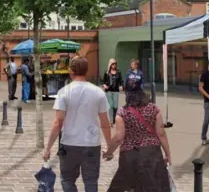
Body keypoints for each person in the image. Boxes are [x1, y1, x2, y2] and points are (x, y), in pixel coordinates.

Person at [43, 56, 111, 192]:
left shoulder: (64, 92)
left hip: (70, 143)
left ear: (70, 71)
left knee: (67, 180)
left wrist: (48, 147)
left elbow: (58, 123)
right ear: (86, 71)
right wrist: (109, 146)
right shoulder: (99, 92)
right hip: (92, 144)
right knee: (91, 181)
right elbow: (105, 123)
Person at [103, 80, 172, 191]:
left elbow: (118, 137)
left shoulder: (123, 112)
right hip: (152, 154)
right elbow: (161, 134)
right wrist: (168, 154)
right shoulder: (154, 109)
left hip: (130, 156)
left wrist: (108, 152)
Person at [102, 58, 124, 127]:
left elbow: (121, 81)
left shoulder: (118, 72)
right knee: (111, 106)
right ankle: (111, 121)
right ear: (110, 64)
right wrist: (104, 85)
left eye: (115, 64)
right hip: (109, 91)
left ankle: (114, 119)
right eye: (113, 64)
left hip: (116, 91)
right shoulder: (106, 72)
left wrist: (121, 86)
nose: (114, 65)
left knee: (115, 106)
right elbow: (104, 81)